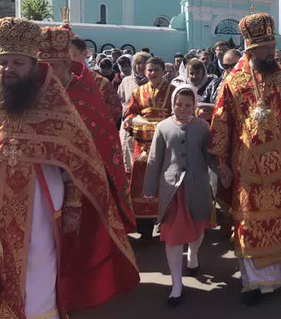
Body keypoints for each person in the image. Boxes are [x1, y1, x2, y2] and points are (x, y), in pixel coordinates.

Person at [0, 18, 138, 319]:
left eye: (17, 63)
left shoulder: (56, 109)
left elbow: (80, 161)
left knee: (38, 269)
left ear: (33, 67)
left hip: (39, 210)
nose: (8, 69)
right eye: (4, 62)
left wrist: (74, 206)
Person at [209, 13, 281, 305]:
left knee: (280, 217)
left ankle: (275, 274)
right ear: (250, 50)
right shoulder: (232, 81)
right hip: (246, 166)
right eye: (265, 48)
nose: (271, 52)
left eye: (272, 46)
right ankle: (253, 281)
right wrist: (221, 164)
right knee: (251, 222)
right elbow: (220, 122)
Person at [37, 24, 139, 311]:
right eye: (44, 65)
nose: (49, 72)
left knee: (84, 242)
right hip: (45, 179)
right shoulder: (34, 93)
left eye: (55, 65)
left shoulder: (93, 85)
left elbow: (106, 127)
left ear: (68, 62)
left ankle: (83, 292)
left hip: (88, 178)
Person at [143, 84, 217, 307]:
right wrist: (149, 187)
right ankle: (176, 284)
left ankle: (193, 256)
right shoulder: (163, 127)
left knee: (197, 230)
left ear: (195, 105)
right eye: (178, 104)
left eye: (187, 104)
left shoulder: (203, 127)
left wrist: (218, 179)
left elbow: (211, 157)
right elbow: (155, 159)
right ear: (172, 104)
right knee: (173, 237)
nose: (182, 108)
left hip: (197, 188)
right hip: (172, 190)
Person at [123, 56, 175, 241]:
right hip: (142, 144)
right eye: (149, 70)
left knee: (166, 181)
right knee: (141, 181)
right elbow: (131, 112)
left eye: (156, 70)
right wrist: (130, 119)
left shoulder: (173, 91)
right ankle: (144, 228)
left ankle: (166, 225)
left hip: (165, 144)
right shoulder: (138, 93)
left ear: (164, 72)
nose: (152, 73)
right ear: (145, 72)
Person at [118, 52, 151, 173]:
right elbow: (120, 100)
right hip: (128, 125)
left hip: (147, 126)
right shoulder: (126, 81)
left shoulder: (153, 81)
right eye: (138, 63)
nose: (141, 66)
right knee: (127, 160)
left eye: (144, 63)